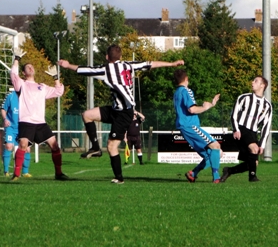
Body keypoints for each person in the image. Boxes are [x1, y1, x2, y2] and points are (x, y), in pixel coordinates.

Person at [58, 44, 184, 184]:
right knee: (87, 115)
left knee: (112, 146)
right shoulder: (129, 65)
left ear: (107, 57)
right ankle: (95, 147)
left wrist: (67, 65)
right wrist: (172, 63)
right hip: (115, 109)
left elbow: (85, 69)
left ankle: (119, 178)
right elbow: (151, 64)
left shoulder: (106, 69)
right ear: (121, 56)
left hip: (124, 113)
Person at [10, 47, 68, 181]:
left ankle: (59, 173)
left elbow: (59, 92)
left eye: (31, 67)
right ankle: (16, 174)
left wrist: (56, 78)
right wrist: (17, 60)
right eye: (27, 67)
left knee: (55, 145)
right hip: (26, 121)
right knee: (23, 145)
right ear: (24, 73)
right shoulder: (22, 85)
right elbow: (13, 74)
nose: (30, 68)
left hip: (40, 123)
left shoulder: (42, 87)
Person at [173, 69, 221, 183]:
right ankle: (216, 177)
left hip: (184, 127)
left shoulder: (176, 93)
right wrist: (206, 107)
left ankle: (193, 173)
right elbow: (192, 109)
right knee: (216, 146)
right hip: (190, 126)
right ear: (186, 79)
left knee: (213, 154)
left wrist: (211, 104)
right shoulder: (186, 91)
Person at [221, 76, 273, 183]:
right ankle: (252, 178)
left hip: (253, 132)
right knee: (254, 148)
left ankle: (229, 170)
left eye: (256, 81)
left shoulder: (267, 105)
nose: (252, 82)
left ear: (262, 85)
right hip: (242, 129)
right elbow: (234, 115)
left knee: (253, 163)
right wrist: (236, 129)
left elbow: (266, 126)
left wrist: (262, 145)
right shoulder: (244, 98)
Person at [0, 89, 31, 177]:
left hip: (23, 127)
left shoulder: (28, 96)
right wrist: (5, 119)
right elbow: (3, 109)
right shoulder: (10, 96)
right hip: (11, 127)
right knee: (9, 146)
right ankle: (6, 171)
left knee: (27, 149)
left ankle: (25, 172)